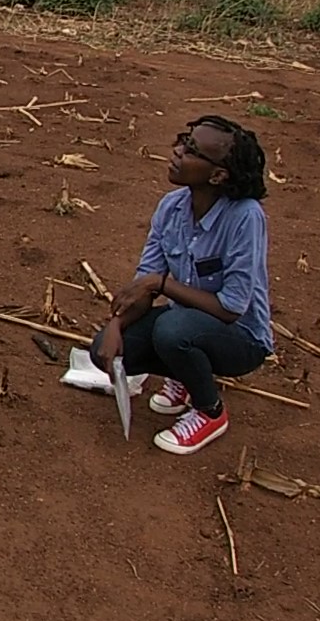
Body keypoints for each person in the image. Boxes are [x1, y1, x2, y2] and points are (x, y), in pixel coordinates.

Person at [91, 114, 273, 456]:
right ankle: (187, 375)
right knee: (104, 349)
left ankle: (209, 411)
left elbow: (232, 308)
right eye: (182, 140)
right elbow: (144, 282)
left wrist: (160, 283)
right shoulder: (171, 207)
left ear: (218, 175)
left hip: (241, 340)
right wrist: (115, 324)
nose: (176, 151)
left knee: (174, 330)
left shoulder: (245, 217)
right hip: (189, 327)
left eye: (190, 149)